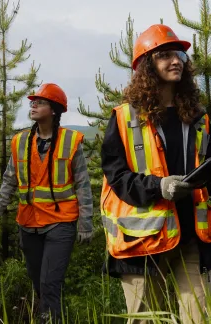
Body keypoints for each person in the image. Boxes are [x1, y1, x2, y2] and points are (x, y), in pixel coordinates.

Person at [100, 24, 211, 324]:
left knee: (199, 318)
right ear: (147, 65)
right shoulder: (124, 118)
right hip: (144, 244)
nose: (176, 60)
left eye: (178, 55)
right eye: (164, 55)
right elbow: (117, 177)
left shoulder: (199, 117)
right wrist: (158, 186)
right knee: (149, 321)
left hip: (190, 238)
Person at [0, 83, 94, 323]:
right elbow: (10, 179)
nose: (34, 105)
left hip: (61, 224)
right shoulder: (20, 141)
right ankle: (51, 317)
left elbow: (83, 185)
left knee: (50, 282)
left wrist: (85, 224)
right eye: (32, 102)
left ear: (55, 110)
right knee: (38, 280)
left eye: (40, 102)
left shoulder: (70, 141)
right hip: (28, 224)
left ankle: (50, 320)